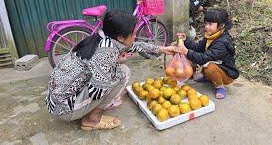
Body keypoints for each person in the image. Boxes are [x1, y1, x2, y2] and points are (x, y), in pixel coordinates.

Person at [45, 10, 175, 130]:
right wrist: (113, 65)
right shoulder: (106, 52)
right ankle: (92, 119)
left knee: (116, 72)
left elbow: (135, 47)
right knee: (122, 74)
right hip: (63, 109)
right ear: (120, 37)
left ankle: (89, 108)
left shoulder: (102, 37)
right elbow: (97, 91)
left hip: (55, 99)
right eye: (134, 33)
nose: (136, 36)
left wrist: (163, 49)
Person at [175, 9, 239, 99]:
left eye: (210, 24)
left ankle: (220, 87)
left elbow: (203, 58)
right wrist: (186, 40)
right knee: (192, 58)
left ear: (221, 25)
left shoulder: (222, 43)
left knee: (209, 67)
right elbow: (197, 48)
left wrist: (186, 51)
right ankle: (208, 78)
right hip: (215, 65)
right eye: (205, 23)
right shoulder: (210, 37)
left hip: (226, 74)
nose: (206, 27)